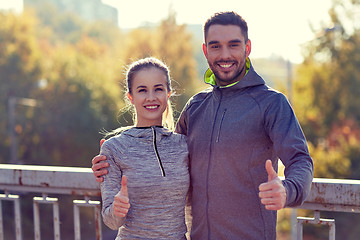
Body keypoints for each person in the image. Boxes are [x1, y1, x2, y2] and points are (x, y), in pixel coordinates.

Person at [92, 12, 313, 240]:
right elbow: (167, 158)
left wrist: (287, 190)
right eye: (215, 46)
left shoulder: (272, 103)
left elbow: (301, 160)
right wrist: (109, 164)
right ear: (206, 51)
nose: (224, 54)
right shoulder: (196, 107)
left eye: (233, 45)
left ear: (247, 48)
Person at [98, 57, 190, 240]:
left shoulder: (184, 145)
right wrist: (118, 209)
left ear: (168, 93)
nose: (151, 97)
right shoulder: (113, 148)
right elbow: (111, 221)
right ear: (130, 97)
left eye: (158, 89)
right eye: (142, 90)